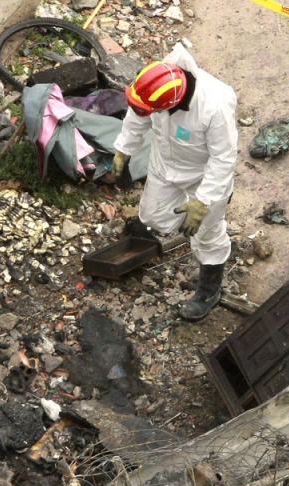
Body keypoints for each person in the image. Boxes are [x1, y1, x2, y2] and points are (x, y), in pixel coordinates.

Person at [111, 44, 238, 321]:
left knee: (206, 234)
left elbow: (223, 159)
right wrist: (124, 149)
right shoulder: (155, 83)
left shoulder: (214, 105)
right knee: (151, 216)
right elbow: (137, 114)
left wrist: (203, 202)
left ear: (171, 104)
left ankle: (209, 290)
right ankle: (192, 228)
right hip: (165, 166)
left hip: (203, 178)